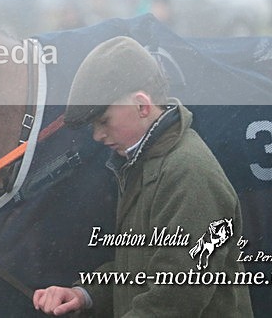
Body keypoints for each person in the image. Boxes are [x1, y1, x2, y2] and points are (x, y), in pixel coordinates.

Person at [32, 36, 252, 317]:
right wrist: (84, 294)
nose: (98, 136)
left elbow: (175, 298)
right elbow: (137, 268)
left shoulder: (187, 173)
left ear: (142, 106)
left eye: (103, 122)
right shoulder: (143, 162)